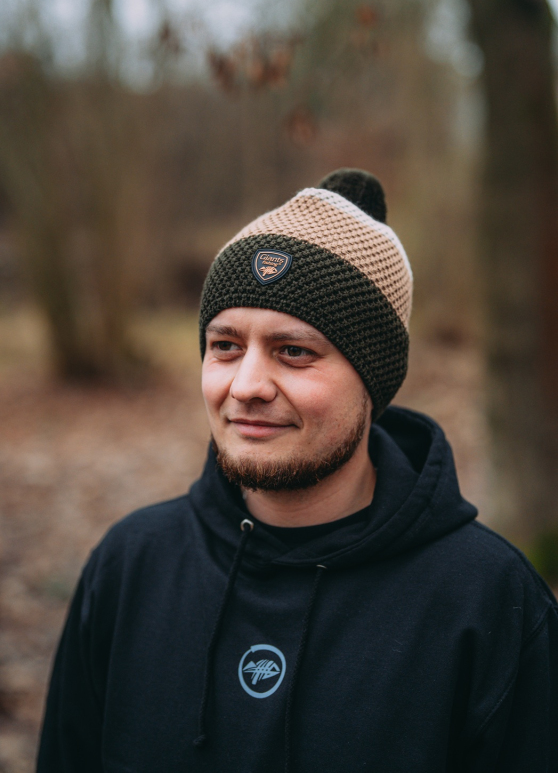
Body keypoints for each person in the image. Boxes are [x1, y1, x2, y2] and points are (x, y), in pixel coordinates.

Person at [37, 169, 558, 773]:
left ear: (372, 381)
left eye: (294, 352)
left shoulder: (490, 604)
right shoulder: (129, 568)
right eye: (226, 346)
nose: (247, 386)